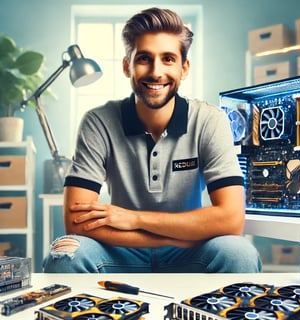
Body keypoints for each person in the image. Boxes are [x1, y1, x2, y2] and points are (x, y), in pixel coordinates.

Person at [43, 7, 262, 273]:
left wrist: (134, 219)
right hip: (120, 253)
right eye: (144, 58)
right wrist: (171, 234)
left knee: (239, 253)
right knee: (65, 254)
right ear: (127, 66)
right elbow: (76, 222)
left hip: (189, 252)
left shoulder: (210, 120)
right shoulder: (98, 122)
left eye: (168, 59)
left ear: (184, 68)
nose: (156, 72)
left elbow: (231, 218)